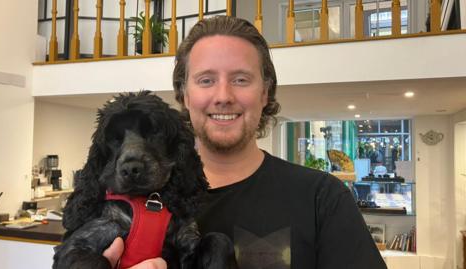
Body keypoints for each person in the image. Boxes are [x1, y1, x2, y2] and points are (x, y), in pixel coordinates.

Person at [104, 15, 387, 269]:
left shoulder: (321, 198)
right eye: (206, 80)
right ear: (185, 95)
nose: (224, 96)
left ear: (265, 93)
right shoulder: (135, 198)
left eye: (240, 79)